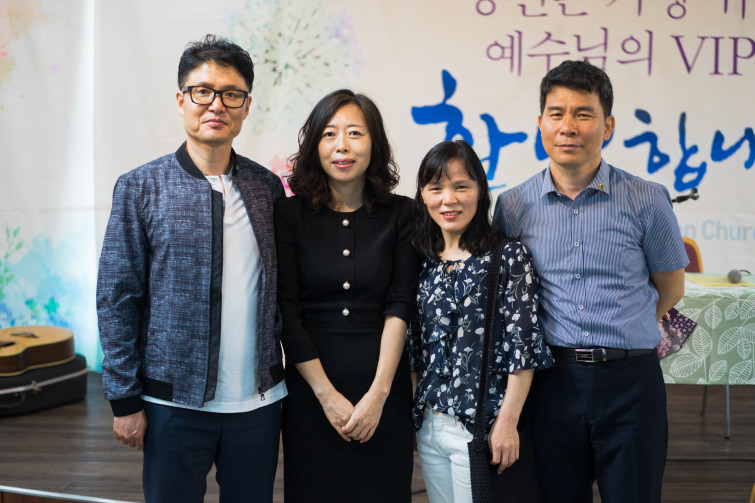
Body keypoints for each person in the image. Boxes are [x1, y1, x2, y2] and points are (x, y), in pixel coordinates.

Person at [97, 35, 286, 503]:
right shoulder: (141, 187)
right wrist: (124, 398)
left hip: (258, 405)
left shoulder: (266, 187)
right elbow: (117, 296)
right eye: (203, 91)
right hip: (171, 403)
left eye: (231, 94)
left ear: (246, 106)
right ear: (181, 100)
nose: (216, 104)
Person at [494, 60, 688, 503]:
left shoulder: (647, 199)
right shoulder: (513, 206)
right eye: (556, 114)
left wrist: (625, 327)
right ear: (540, 123)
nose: (568, 126)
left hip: (630, 382)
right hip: (552, 383)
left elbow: (671, 287)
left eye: (583, 114)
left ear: (608, 126)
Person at [274, 89, 420, 503]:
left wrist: (378, 395)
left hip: (384, 389)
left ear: (374, 144)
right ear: (314, 146)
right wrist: (327, 396)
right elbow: (288, 312)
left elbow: (400, 305)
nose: (342, 146)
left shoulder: (403, 213)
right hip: (311, 391)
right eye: (329, 134)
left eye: (355, 133)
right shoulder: (288, 214)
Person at [409, 140, 555, 503]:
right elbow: (416, 349)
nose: (449, 199)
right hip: (430, 426)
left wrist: (507, 422)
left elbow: (524, 347)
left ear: (480, 190)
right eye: (436, 188)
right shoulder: (422, 261)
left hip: (482, 429)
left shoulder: (507, 256)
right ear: (422, 195)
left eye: (461, 186)